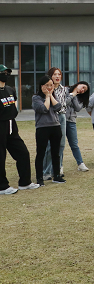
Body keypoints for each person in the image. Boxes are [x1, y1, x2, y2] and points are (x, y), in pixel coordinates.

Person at [0, 65, 40, 194]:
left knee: (23, 153)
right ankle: (2, 186)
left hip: (12, 125)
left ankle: (25, 182)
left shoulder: (10, 90)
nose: (6, 75)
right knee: (1, 156)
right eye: (3, 73)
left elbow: (14, 103)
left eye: (7, 72)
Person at [32, 76, 65, 184]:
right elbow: (44, 109)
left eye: (51, 85)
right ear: (42, 86)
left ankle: (56, 176)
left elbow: (58, 107)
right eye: (47, 85)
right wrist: (47, 96)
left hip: (55, 126)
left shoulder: (53, 96)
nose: (50, 87)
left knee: (56, 152)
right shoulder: (36, 98)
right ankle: (39, 178)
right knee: (41, 153)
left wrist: (50, 96)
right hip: (42, 127)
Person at [42, 67, 67, 181]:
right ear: (50, 76)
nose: (57, 76)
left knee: (61, 144)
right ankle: (46, 171)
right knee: (49, 146)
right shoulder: (46, 89)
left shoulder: (64, 89)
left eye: (59, 74)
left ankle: (57, 169)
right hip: (51, 117)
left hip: (62, 116)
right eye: (55, 74)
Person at [64, 81, 91, 172]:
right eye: (83, 87)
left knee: (74, 144)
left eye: (85, 90)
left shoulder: (81, 97)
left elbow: (77, 108)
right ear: (78, 84)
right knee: (60, 144)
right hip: (61, 120)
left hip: (71, 121)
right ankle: (59, 166)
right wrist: (72, 94)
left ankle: (80, 164)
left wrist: (74, 95)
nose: (83, 90)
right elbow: (64, 102)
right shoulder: (65, 90)